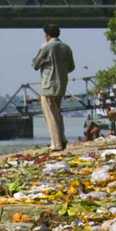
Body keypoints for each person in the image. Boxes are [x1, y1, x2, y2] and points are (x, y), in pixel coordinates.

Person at [31, 22, 75, 151]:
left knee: (50, 115)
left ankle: (56, 144)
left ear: (47, 35)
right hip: (62, 84)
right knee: (57, 113)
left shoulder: (46, 47)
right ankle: (62, 139)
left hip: (48, 84)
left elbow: (35, 64)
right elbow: (71, 67)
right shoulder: (66, 47)